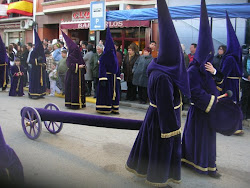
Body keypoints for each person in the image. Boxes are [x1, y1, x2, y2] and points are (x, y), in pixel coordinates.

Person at [126, 0, 190, 187]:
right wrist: (171, 129)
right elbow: (165, 105)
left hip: (154, 117)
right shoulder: (163, 76)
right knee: (160, 151)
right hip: (162, 122)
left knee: (149, 148)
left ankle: (146, 171)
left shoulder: (159, 67)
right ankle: (158, 178)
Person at [182, 0, 220, 178]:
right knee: (198, 138)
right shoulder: (192, 70)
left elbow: (212, 85)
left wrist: (214, 74)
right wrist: (213, 101)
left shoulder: (207, 68)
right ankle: (195, 163)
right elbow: (195, 92)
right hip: (200, 111)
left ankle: (208, 164)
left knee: (208, 140)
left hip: (208, 111)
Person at [205, 12, 243, 135]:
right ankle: (238, 125)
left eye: (221, 49)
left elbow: (224, 73)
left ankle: (231, 125)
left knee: (228, 104)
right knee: (235, 103)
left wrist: (218, 81)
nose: (219, 50)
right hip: (235, 82)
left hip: (229, 83)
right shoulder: (236, 57)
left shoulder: (229, 58)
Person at [96, 27, 120, 114]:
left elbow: (117, 68)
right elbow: (102, 68)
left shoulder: (113, 56)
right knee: (107, 94)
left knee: (113, 94)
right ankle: (104, 108)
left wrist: (117, 77)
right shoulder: (104, 57)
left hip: (113, 78)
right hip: (107, 78)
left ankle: (114, 108)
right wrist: (103, 78)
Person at [62, 31, 86, 109]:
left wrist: (83, 67)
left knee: (79, 90)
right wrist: (78, 66)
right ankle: (72, 103)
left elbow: (84, 64)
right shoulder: (70, 57)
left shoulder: (79, 56)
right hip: (72, 77)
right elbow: (69, 65)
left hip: (79, 76)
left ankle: (81, 103)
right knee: (73, 89)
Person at [28, 30, 47, 98]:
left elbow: (45, 60)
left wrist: (44, 64)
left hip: (41, 69)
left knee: (41, 82)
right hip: (35, 70)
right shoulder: (33, 52)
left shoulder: (42, 52)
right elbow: (30, 60)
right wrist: (37, 60)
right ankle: (34, 93)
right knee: (35, 81)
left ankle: (41, 93)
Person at [241, 47, 250, 120]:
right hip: (246, 80)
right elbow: (243, 68)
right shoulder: (245, 58)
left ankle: (248, 114)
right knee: (244, 97)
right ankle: (243, 113)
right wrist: (247, 75)